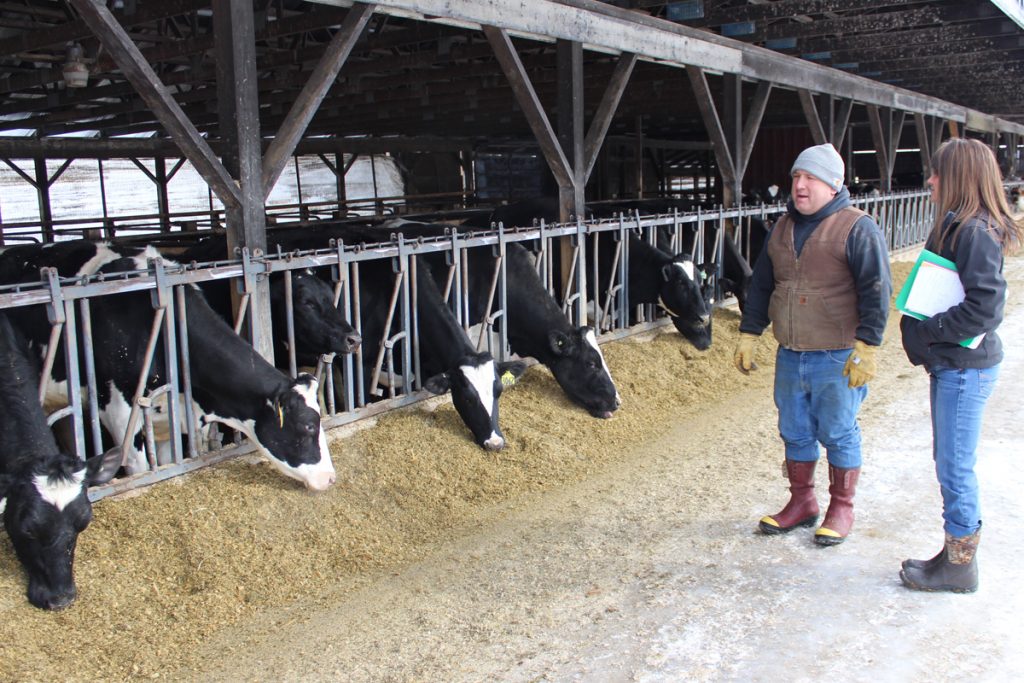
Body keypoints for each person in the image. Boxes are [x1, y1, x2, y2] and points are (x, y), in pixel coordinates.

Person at [733, 143, 892, 546]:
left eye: (810, 178)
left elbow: (876, 290)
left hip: (837, 355)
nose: (800, 186)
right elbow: (762, 286)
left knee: (838, 431)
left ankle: (842, 506)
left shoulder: (857, 227)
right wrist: (750, 333)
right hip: (791, 353)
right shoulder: (781, 228)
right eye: (796, 177)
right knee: (795, 430)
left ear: (833, 183)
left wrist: (867, 346)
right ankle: (802, 502)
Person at [898, 137, 1022, 593]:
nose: (930, 180)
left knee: (954, 466)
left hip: (965, 369)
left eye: (937, 173)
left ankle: (960, 566)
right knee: (949, 461)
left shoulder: (972, 231)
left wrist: (929, 329)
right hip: (956, 366)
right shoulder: (962, 226)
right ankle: (953, 553)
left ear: (959, 178)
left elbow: (986, 309)